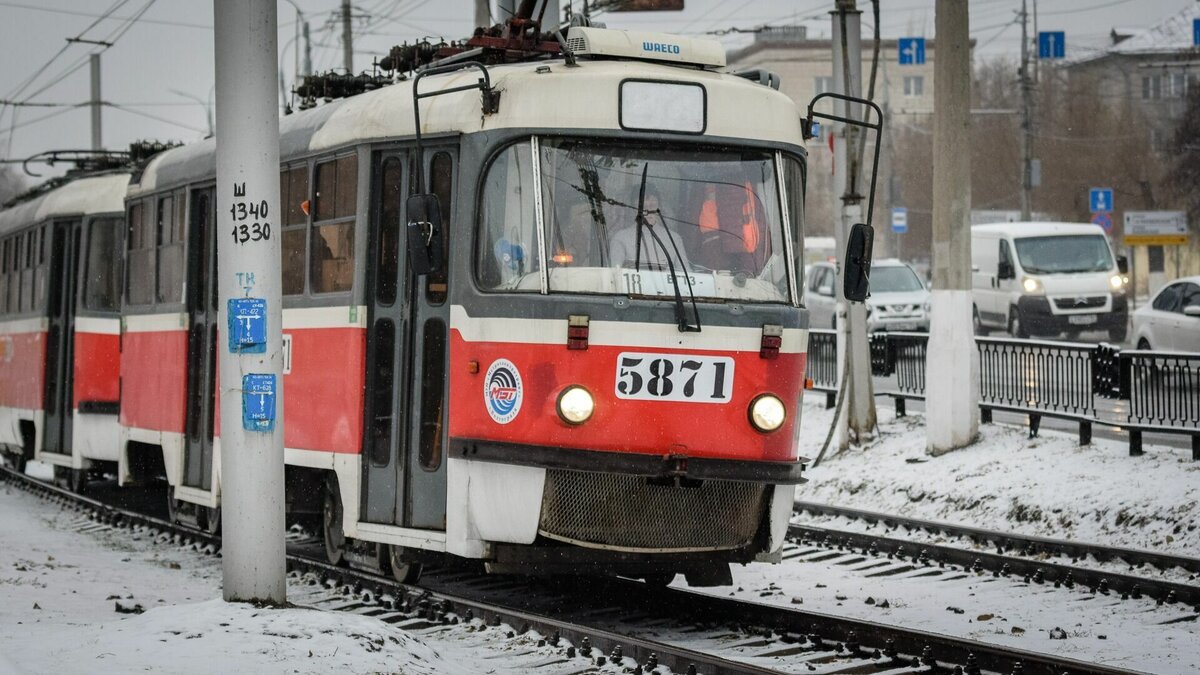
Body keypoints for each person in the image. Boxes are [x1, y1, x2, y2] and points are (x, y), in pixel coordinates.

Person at [607, 189, 691, 272]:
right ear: (634, 209)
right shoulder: (620, 238)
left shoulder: (674, 239)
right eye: (643, 207)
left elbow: (686, 275)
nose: (648, 210)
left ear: (659, 208)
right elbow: (614, 275)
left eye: (652, 205)